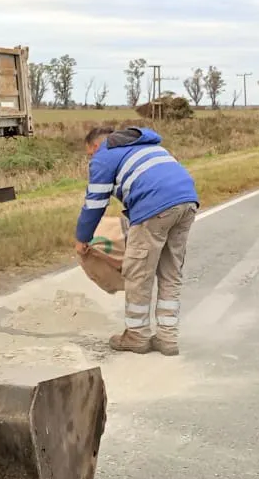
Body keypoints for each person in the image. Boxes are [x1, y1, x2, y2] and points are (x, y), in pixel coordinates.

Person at [75, 126, 199, 356]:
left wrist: (82, 238)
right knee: (170, 272)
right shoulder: (149, 146)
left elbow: (95, 202)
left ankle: (137, 335)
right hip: (187, 202)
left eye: (89, 154)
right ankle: (167, 338)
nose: (91, 159)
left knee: (138, 272)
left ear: (95, 146)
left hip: (155, 206)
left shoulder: (104, 154)